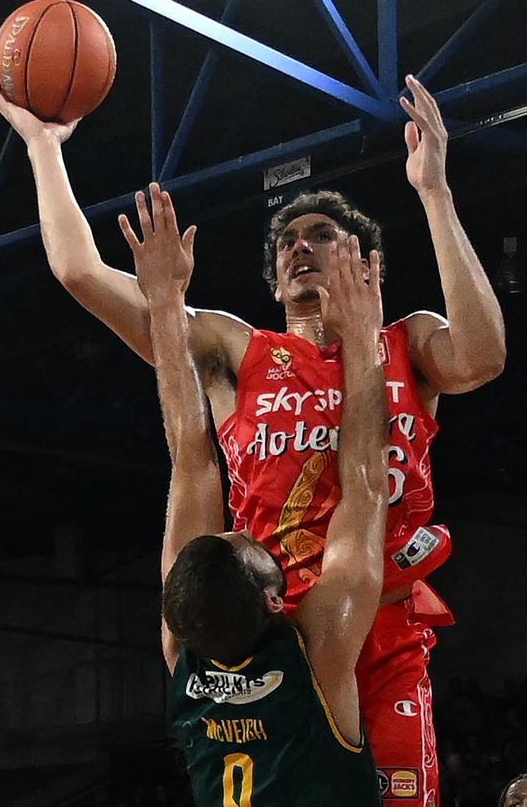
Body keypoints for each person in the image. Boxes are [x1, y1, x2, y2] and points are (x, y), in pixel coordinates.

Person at [0, 70, 506, 805]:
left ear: (368, 264)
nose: (300, 246)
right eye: (288, 241)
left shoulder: (408, 342)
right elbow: (78, 270)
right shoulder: (239, 351)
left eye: (322, 235)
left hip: (381, 632)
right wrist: (43, 145)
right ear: (272, 284)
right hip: (272, 631)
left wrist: (435, 193)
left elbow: (484, 355)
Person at [123, 188, 387, 804]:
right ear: (277, 601)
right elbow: (369, 479)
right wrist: (363, 335)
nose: (241, 524)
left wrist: (165, 306)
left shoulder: (194, 649)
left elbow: (192, 461)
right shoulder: (311, 655)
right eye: (246, 540)